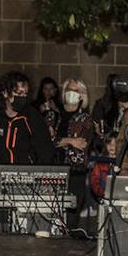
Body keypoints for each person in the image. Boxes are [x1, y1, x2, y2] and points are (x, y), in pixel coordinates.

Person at [0, 71, 54, 178]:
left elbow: (44, 147)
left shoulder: (32, 116)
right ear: (5, 92)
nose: (22, 97)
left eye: (25, 94)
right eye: (18, 93)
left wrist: (41, 174)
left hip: (25, 174)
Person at [55, 78, 95, 218]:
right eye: (69, 90)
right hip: (53, 169)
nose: (72, 93)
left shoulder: (85, 119)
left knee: (72, 216)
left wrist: (61, 142)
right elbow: (46, 142)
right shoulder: (53, 115)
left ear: (82, 95)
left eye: (76, 91)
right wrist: (70, 140)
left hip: (75, 172)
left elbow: (81, 145)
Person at [35, 76, 62, 141]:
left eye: (51, 89)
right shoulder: (35, 105)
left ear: (55, 90)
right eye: (46, 89)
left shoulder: (61, 106)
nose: (48, 91)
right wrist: (39, 112)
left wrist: (56, 109)